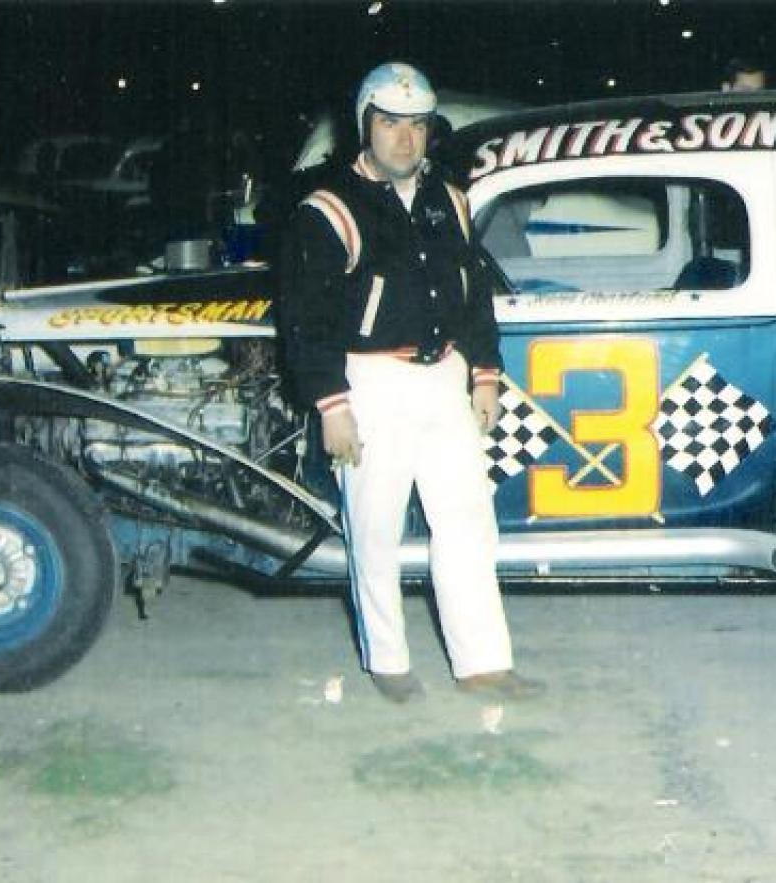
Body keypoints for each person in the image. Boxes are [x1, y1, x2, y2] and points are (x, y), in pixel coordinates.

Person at [278, 62, 544, 704]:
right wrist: (332, 406)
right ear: (365, 126)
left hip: (444, 376)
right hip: (370, 383)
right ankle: (389, 659)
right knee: (376, 528)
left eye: (418, 125)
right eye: (391, 124)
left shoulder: (448, 200)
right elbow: (305, 320)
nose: (406, 138)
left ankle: (483, 661)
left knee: (468, 521)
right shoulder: (326, 210)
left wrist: (485, 373)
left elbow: (473, 294)